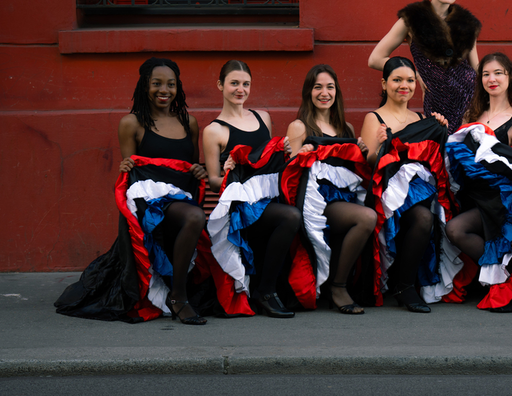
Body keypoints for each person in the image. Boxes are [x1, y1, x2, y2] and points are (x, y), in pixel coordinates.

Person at [55, 58, 246, 324]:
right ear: (145, 86)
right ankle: (178, 298)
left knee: (193, 215)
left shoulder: (188, 122)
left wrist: (197, 170)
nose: (163, 90)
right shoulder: (131, 123)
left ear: (177, 87)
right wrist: (125, 165)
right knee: (195, 216)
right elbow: (131, 174)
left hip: (180, 197)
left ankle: (178, 292)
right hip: (149, 203)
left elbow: (189, 167)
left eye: (170, 84)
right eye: (156, 83)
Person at [203, 60, 301, 318]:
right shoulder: (214, 130)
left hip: (268, 197)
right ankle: (265, 292)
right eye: (234, 83)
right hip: (241, 209)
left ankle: (275, 288)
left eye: (245, 84)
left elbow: (268, 160)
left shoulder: (262, 117)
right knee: (291, 217)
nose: (240, 89)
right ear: (220, 85)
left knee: (297, 212)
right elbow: (212, 181)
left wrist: (283, 150)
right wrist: (227, 172)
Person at [361, 57, 452, 313]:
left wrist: (440, 128)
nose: (404, 85)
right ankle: (402, 285)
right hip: (385, 195)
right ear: (384, 83)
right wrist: (380, 146)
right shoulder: (374, 118)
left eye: (410, 80)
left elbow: (433, 158)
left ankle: (405, 285)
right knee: (422, 217)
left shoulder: (422, 118)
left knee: (425, 217)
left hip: (417, 194)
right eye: (397, 80)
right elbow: (369, 164)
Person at [285, 65, 376, 315]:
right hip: (316, 205)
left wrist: (363, 152)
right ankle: (338, 286)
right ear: (308, 92)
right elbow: (289, 177)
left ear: (337, 92)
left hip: (344, 198)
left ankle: (345, 282)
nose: (324, 93)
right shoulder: (299, 127)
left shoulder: (347, 129)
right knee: (367, 217)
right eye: (318, 87)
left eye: (330, 87)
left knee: (372, 213)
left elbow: (353, 172)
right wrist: (298, 156)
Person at [368, 0, 481, 132]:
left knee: (465, 147)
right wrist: (414, 74)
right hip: (437, 102)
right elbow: (375, 59)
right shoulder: (412, 20)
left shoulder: (466, 23)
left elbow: (476, 69)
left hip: (469, 101)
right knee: (438, 143)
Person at [445, 52, 512, 263]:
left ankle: (502, 270)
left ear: (509, 77)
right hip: (468, 193)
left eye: (498, 73)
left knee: (455, 230)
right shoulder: (470, 116)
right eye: (486, 74)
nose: (492, 79)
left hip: (497, 201)